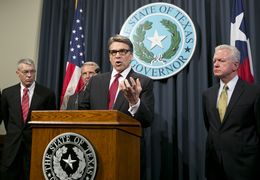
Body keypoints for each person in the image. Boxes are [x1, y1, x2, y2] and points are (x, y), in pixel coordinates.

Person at [202, 44, 260, 180]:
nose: (216, 64)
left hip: (245, 166)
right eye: (214, 61)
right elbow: (210, 127)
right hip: (214, 165)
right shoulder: (208, 94)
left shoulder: (253, 93)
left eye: (221, 61)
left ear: (235, 65)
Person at [78, 34, 154, 128]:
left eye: (122, 51)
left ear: (131, 56)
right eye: (113, 52)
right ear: (110, 57)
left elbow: (147, 121)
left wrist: (135, 103)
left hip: (126, 140)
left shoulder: (143, 82)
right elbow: (82, 113)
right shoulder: (95, 81)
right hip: (96, 139)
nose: (117, 56)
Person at [0, 58, 56, 180]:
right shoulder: (7, 93)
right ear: (18, 73)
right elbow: (5, 117)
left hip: (35, 148)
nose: (29, 75)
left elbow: (51, 122)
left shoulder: (47, 94)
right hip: (12, 149)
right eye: (25, 72)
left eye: (32, 71)